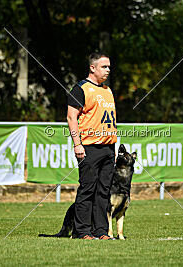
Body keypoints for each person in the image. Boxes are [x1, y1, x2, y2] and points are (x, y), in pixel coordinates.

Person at [67, 52, 117, 240]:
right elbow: (71, 117)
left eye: (109, 67)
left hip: (108, 148)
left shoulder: (108, 90)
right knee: (87, 189)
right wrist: (77, 144)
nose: (108, 70)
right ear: (93, 67)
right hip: (88, 147)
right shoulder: (81, 88)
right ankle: (82, 232)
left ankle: (101, 231)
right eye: (104, 67)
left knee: (103, 191)